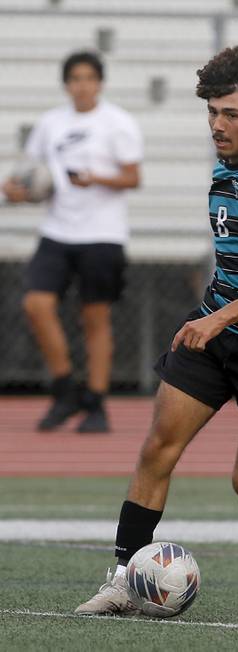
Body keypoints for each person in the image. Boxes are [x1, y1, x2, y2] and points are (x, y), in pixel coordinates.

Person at [74, 46, 238, 616]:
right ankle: (126, 576)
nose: (217, 126)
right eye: (212, 112)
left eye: (231, 115)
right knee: (157, 447)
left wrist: (217, 317)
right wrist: (215, 317)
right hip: (216, 331)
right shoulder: (230, 159)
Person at [2, 51, 142, 433]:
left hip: (102, 233)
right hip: (57, 231)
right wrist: (17, 191)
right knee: (36, 304)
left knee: (94, 318)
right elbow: (34, 176)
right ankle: (65, 389)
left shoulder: (118, 123)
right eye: (75, 78)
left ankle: (96, 403)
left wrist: (95, 179)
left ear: (100, 83)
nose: (82, 85)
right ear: (66, 84)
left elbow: (132, 177)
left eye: (88, 78)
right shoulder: (50, 123)